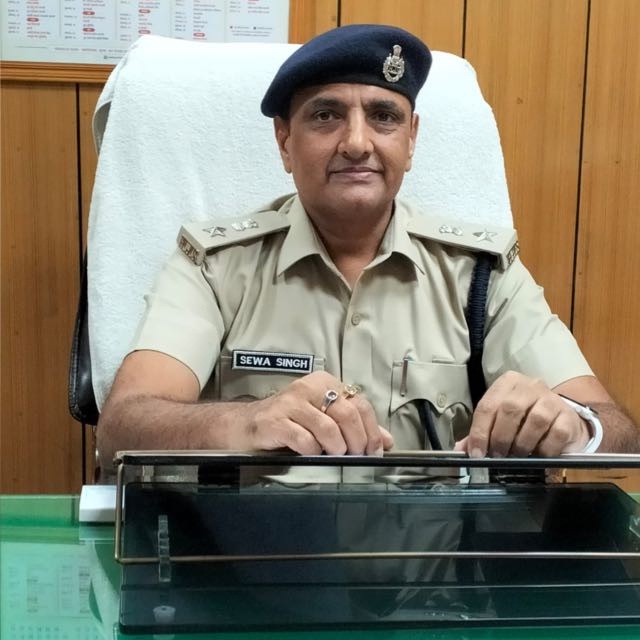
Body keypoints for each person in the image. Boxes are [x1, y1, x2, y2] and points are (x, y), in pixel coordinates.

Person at [96, 24, 639, 472]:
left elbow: (618, 433)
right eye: (326, 115)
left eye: (384, 117)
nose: (357, 143)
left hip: (435, 566)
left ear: (411, 139)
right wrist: (247, 421)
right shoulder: (214, 267)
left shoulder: (480, 274)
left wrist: (575, 426)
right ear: (285, 142)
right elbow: (122, 427)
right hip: (254, 555)